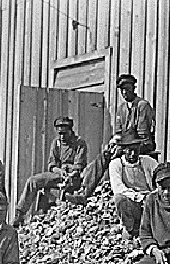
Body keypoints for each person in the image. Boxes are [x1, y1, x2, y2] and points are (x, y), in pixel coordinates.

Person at [66, 73, 156, 204]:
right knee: (105, 154)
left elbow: (142, 133)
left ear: (133, 88)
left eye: (128, 89)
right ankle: (84, 191)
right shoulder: (121, 109)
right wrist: (114, 142)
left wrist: (121, 146)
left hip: (142, 144)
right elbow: (119, 132)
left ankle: (85, 192)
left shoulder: (142, 106)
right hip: (126, 144)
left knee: (112, 155)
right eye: (122, 90)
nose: (125, 92)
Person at [13, 117, 87, 227]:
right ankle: (20, 214)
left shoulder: (79, 143)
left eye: (64, 133)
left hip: (74, 176)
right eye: (59, 133)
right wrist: (60, 170)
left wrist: (69, 169)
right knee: (33, 181)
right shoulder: (56, 143)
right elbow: (51, 165)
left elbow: (79, 166)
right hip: (58, 174)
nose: (62, 136)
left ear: (71, 131)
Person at [108, 129, 159, 238]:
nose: (133, 154)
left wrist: (152, 195)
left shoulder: (148, 162)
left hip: (149, 203)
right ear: (124, 149)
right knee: (119, 198)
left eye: (136, 150)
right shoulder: (116, 164)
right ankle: (132, 229)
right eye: (129, 150)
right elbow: (118, 188)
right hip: (131, 202)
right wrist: (138, 197)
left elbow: (160, 179)